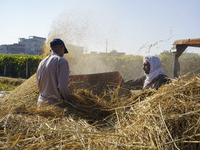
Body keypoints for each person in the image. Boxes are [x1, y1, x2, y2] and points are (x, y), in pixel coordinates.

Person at [36, 38, 70, 107]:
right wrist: (68, 101)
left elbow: (38, 85)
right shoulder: (62, 61)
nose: (63, 54)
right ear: (61, 47)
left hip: (41, 104)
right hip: (55, 106)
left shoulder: (41, 63)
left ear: (50, 50)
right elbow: (62, 86)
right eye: (63, 51)